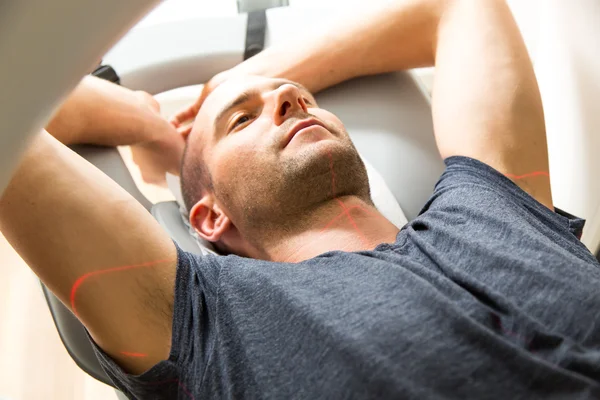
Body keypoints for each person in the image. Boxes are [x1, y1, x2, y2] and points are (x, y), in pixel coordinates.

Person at [1, 0, 600, 398]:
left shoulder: (493, 202)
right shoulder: (202, 320)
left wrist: (240, 85)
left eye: (300, 96)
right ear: (209, 215)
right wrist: (147, 121)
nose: (290, 97)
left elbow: (455, 8)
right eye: (241, 122)